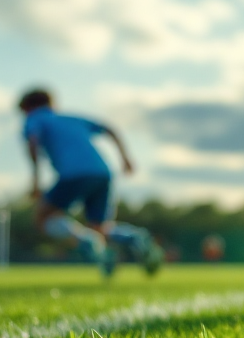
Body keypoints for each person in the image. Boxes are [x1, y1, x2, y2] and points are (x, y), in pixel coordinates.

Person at [19, 87, 163, 278]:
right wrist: (125, 159)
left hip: (74, 174)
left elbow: (33, 142)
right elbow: (110, 129)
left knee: (43, 217)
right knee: (100, 227)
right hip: (102, 172)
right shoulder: (71, 119)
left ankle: (86, 241)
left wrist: (35, 181)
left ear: (29, 107)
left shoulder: (35, 118)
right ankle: (135, 238)